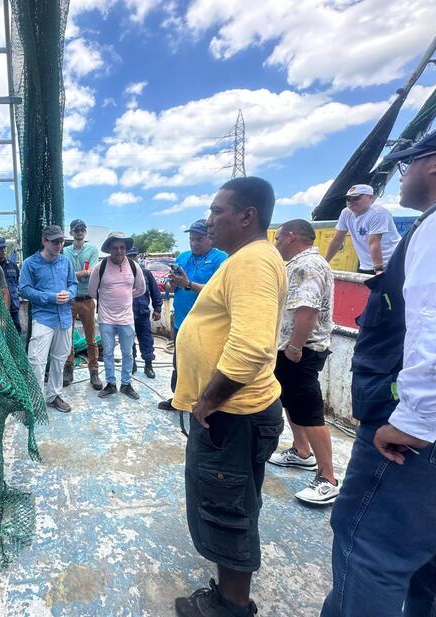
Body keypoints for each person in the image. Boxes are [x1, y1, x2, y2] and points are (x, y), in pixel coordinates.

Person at [321, 117, 436, 616]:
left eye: (407, 164)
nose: (401, 178)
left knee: (370, 550)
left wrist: (414, 421)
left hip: (428, 433)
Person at [172, 178, 286, 617]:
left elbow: (252, 347)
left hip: (231, 415)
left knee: (227, 508)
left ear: (247, 216)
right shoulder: (246, 259)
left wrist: (207, 401)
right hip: (234, 414)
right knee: (230, 499)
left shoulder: (252, 262)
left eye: (218, 211)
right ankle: (229, 595)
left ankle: (230, 606)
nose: (209, 220)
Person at [269, 219, 338, 505]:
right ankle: (301, 452)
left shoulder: (308, 265)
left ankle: (328, 478)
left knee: (309, 412)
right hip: (289, 349)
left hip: (301, 350)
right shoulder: (298, 264)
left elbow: (308, 310)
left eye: (278, 238)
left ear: (291, 236)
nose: (275, 244)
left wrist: (296, 347)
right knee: (292, 403)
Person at [158, 219, 226, 411]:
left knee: (204, 365)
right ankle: (178, 399)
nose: (194, 243)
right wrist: (172, 283)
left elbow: (218, 291)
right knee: (179, 362)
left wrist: (188, 284)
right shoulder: (183, 257)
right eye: (191, 239)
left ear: (209, 238)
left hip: (207, 325)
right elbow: (171, 287)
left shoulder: (221, 259)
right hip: (181, 321)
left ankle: (204, 403)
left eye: (199, 239)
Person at [19, 225, 77, 413]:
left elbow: (73, 284)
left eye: (61, 241)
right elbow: (24, 289)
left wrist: (69, 294)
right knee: (36, 359)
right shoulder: (30, 263)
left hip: (64, 318)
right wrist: (50, 297)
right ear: (44, 241)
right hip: (43, 317)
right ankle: (35, 399)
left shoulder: (66, 262)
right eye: (55, 242)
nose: (59, 245)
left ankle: (53, 396)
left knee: (59, 359)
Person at [87, 232, 145, 400]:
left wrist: (125, 297)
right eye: (115, 248)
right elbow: (92, 291)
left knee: (128, 353)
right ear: (109, 249)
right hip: (106, 318)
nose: (119, 251)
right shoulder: (100, 267)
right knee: (108, 353)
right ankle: (111, 384)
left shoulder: (134, 266)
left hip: (126, 318)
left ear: (126, 249)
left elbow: (141, 288)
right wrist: (109, 299)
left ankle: (126, 384)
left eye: (122, 247)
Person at [324, 183, 401, 275]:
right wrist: (324, 263)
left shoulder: (379, 213)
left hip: (390, 262)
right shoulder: (346, 213)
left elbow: (374, 242)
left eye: (356, 198)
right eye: (348, 199)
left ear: (371, 198)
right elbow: (337, 240)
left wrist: (378, 270)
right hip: (366, 265)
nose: (351, 202)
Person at [62, 219, 101, 389]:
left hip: (87, 299)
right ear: (71, 232)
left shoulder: (92, 250)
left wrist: (74, 274)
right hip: (69, 300)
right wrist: (82, 273)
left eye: (82, 229)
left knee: (91, 338)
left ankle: (94, 371)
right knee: (67, 337)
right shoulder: (64, 251)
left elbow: (91, 272)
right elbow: (64, 274)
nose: (79, 232)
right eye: (76, 230)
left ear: (85, 232)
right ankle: (68, 368)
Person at [129, 247, 163, 378]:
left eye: (134, 256)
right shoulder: (121, 275)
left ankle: (148, 365)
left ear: (137, 257)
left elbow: (155, 292)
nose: (132, 259)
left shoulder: (146, 274)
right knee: (128, 341)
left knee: (146, 340)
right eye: (129, 257)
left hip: (143, 314)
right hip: (126, 315)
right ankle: (132, 363)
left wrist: (157, 309)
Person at [0, 235, 21, 331]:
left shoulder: (12, 266)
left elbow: (17, 283)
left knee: (16, 331)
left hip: (13, 309)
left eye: (4, 247)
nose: (3, 250)